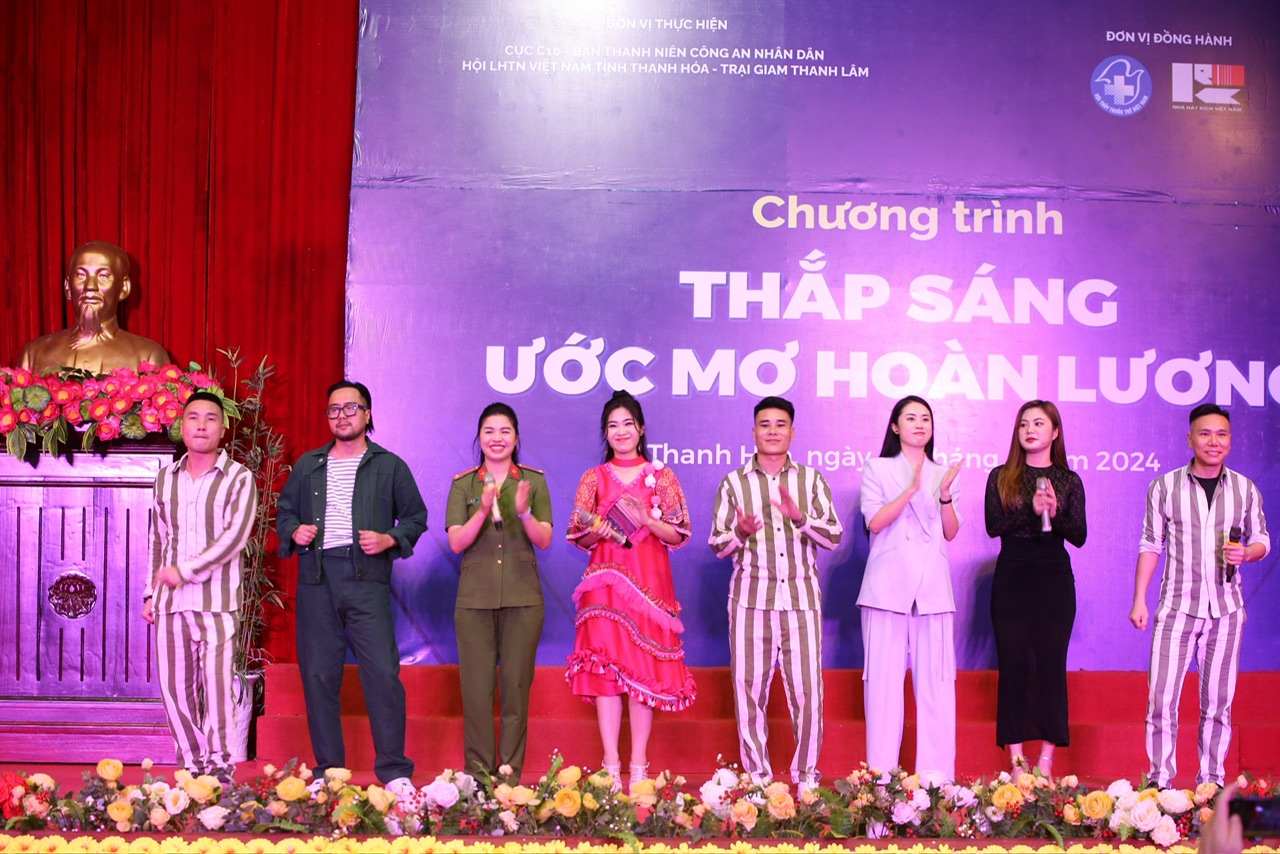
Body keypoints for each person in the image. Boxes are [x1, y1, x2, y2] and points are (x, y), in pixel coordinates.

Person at [277, 380, 427, 795]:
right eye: (334, 410)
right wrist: (295, 531)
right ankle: (329, 772)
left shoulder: (390, 465)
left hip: (366, 580)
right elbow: (284, 513)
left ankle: (394, 772)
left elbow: (415, 517)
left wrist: (389, 538)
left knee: (383, 675)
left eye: (350, 408)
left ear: (367, 414)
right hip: (317, 579)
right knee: (318, 676)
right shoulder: (308, 465)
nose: (341, 416)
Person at [1128, 403, 1269, 787]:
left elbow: (1262, 540)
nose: (1213, 441)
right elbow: (1150, 544)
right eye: (1205, 434)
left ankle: (1212, 783)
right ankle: (1159, 782)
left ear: (1230, 440)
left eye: (1221, 434)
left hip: (1226, 611)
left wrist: (1247, 553)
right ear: (1190, 439)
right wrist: (1140, 599)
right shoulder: (1165, 487)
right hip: (1176, 608)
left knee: (1219, 705)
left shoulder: (1245, 489)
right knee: (1161, 701)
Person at [709, 396, 844, 792]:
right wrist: (741, 532)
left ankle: (807, 779)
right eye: (764, 424)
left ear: (792, 432)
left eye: (780, 424)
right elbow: (718, 544)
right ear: (753, 432)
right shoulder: (734, 483)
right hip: (750, 602)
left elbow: (834, 536)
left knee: (808, 694)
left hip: (801, 601)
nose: (772, 431)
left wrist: (800, 518)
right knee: (748, 692)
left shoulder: (811, 480)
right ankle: (758, 781)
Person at [565, 390, 696, 790]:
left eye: (627, 424)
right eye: (612, 425)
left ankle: (639, 766)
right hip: (604, 589)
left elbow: (679, 532)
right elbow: (578, 535)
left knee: (642, 672)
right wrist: (598, 529)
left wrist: (649, 521)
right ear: (605, 433)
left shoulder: (662, 477)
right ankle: (611, 764)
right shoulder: (594, 477)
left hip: (649, 589)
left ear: (641, 429)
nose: (620, 431)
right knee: (606, 672)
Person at [144, 390, 256, 779]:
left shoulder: (239, 478)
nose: (202, 425)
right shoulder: (165, 478)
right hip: (170, 603)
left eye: (211, 418)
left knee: (219, 689)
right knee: (175, 692)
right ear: (182, 426)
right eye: (193, 417)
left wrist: (186, 571)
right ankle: (193, 769)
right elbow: (158, 538)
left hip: (217, 603)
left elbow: (234, 538)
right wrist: (151, 592)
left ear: (223, 430)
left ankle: (220, 770)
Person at [446, 403, 553, 784]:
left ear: (516, 438)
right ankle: (477, 779)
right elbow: (456, 542)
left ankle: (508, 781)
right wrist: (483, 510)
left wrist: (524, 513)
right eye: (489, 431)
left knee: (516, 691)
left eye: (505, 431)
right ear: (479, 438)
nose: (497, 438)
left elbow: (545, 539)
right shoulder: (464, 484)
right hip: (474, 601)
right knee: (477, 693)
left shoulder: (533, 482)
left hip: (523, 600)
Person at [858, 396, 961, 782]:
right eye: (911, 418)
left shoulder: (942, 473)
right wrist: (911, 489)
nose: (920, 424)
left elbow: (950, 531)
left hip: (932, 591)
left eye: (926, 419)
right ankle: (881, 786)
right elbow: (874, 521)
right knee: (883, 692)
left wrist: (944, 493)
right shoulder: (878, 467)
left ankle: (936, 786)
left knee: (937, 690)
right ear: (895, 426)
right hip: (886, 590)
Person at [984, 400, 1086, 779]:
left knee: (1049, 666)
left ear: (1055, 432)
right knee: (1012, 665)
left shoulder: (1069, 480)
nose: (1030, 429)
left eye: (1039, 423)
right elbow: (994, 526)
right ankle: (1015, 761)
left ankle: (1045, 759)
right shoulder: (1001, 476)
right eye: (1024, 423)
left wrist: (1054, 514)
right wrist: (1030, 507)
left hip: (1052, 579)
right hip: (1012, 577)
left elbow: (1079, 535)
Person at [18, 240, 169, 374]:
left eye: (103, 276)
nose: (90, 286)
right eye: (81, 275)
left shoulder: (148, 357)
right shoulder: (33, 354)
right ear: (67, 287)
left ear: (124, 288)